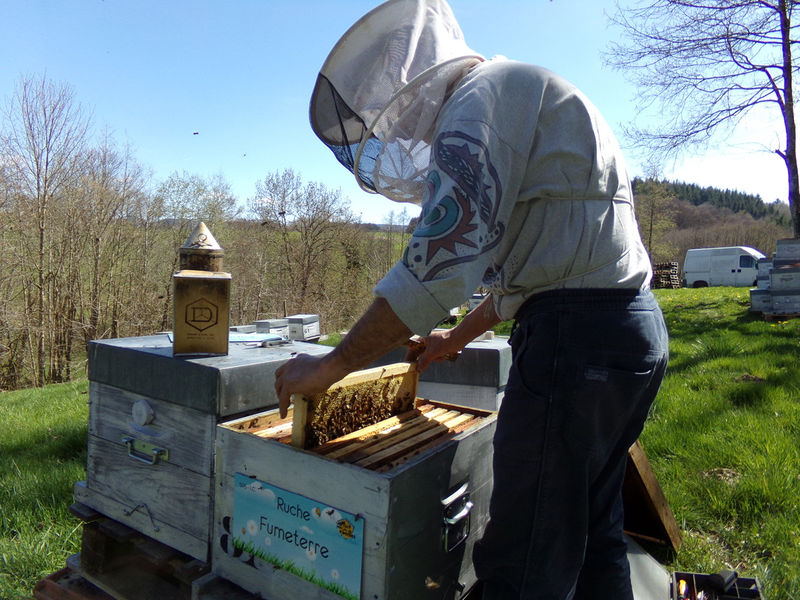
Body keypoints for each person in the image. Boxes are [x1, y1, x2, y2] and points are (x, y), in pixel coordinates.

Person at [274, 1, 669, 598]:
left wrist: (328, 367)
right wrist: (455, 337)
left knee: (525, 555)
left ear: (412, 82)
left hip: (575, 344)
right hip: (630, 332)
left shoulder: (478, 106)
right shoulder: (523, 91)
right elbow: (536, 273)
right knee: (593, 530)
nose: (401, 133)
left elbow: (435, 268)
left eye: (397, 116)